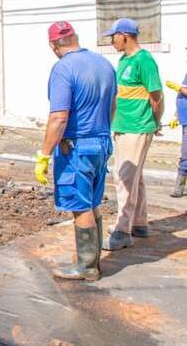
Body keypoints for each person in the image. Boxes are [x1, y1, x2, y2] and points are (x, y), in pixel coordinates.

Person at [34, 21, 116, 281]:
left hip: (76, 147)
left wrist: (44, 155)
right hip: (101, 142)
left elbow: (59, 117)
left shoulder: (63, 69)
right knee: (92, 202)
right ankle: (92, 261)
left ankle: (88, 267)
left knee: (80, 206)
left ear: (53, 46)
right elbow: (113, 105)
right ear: (75, 38)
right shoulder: (104, 64)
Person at [102, 18, 164, 251]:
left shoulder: (144, 60)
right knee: (134, 176)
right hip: (123, 126)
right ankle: (139, 223)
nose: (111, 41)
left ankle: (122, 230)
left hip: (137, 127)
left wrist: (155, 122)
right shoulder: (124, 60)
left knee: (125, 178)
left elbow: (156, 96)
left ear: (125, 36)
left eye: (113, 36)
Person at [165, 75, 187, 198]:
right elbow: (182, 98)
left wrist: (178, 88)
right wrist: (177, 115)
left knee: (186, 155)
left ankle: (178, 189)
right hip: (184, 119)